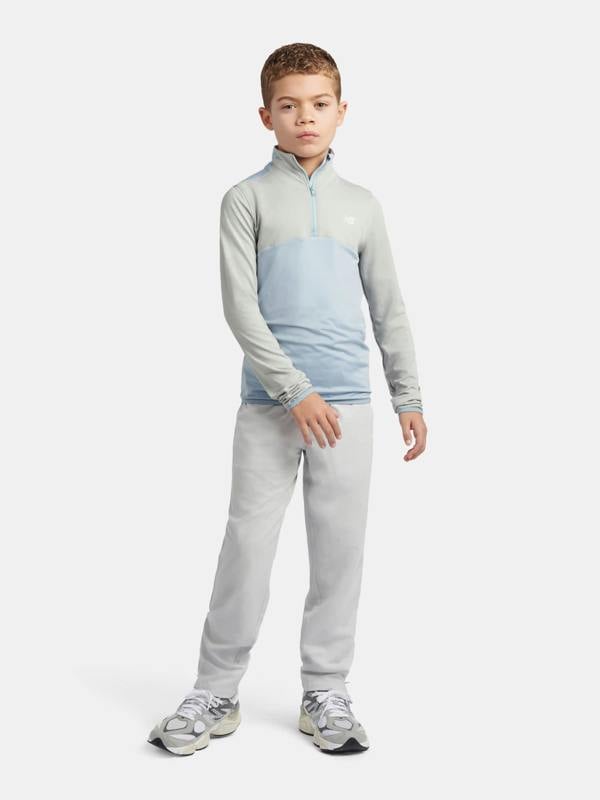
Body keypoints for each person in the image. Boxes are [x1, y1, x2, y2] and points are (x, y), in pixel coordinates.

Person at [147, 41, 427, 757]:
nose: (306, 117)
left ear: (342, 111)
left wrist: (407, 395)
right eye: (289, 105)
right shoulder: (245, 199)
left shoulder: (362, 206)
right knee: (247, 545)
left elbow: (388, 306)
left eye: (319, 104)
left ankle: (325, 689)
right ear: (266, 115)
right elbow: (240, 309)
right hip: (269, 406)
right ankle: (215, 689)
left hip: (348, 407)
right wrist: (294, 390)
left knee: (340, 552)